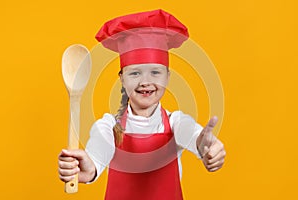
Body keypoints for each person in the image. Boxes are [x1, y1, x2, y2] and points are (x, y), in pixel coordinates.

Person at [58, 9, 226, 199]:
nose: (145, 82)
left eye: (155, 72)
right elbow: (96, 156)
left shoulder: (176, 123)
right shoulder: (108, 127)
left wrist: (205, 147)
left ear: (168, 77)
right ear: (122, 78)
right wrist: (89, 168)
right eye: (135, 73)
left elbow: (195, 136)